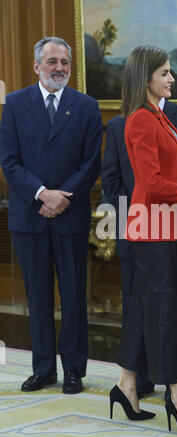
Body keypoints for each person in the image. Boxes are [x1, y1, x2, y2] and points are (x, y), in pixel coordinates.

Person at [109, 45, 177, 436]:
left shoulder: (159, 118)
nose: (172, 78)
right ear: (146, 77)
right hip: (153, 229)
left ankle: (126, 385)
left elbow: (171, 172)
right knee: (167, 315)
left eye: (171, 72)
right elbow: (149, 184)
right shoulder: (139, 121)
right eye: (165, 73)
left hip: (165, 227)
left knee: (144, 309)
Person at [0, 37, 103, 394]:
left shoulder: (86, 106)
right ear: (36, 66)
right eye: (52, 62)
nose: (59, 68)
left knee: (74, 296)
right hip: (29, 217)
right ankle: (43, 368)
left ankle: (74, 369)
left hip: (70, 217)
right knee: (38, 296)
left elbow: (92, 164)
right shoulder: (14, 104)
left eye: (65, 62)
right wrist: (42, 194)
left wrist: (62, 199)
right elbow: (9, 161)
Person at [101, 98, 177, 399]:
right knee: (139, 309)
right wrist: (142, 213)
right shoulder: (119, 124)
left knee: (176, 307)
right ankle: (138, 380)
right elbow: (112, 181)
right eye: (164, 72)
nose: (170, 78)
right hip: (141, 230)